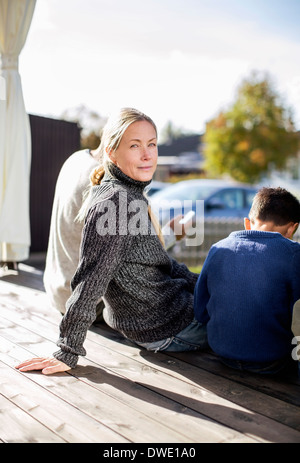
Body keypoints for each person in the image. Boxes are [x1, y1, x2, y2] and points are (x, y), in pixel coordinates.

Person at [16, 107, 208, 375]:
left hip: (157, 312)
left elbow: (156, 262)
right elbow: (90, 279)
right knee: (252, 320)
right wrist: (67, 350)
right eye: (134, 145)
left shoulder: (126, 192)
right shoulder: (117, 202)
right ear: (111, 152)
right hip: (164, 326)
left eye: (151, 144)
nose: (147, 154)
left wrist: (205, 284)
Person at [43, 135, 186, 319]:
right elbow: (141, 258)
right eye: (136, 145)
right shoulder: (109, 183)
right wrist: (173, 233)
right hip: (89, 306)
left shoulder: (75, 159)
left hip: (57, 292)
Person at [193, 187, 300, 375]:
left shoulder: (217, 249)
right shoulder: (293, 254)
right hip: (273, 361)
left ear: (247, 223)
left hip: (223, 353)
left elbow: (200, 312)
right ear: (292, 227)